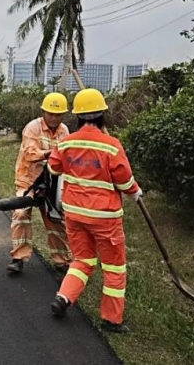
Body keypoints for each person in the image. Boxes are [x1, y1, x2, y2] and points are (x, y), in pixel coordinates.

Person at [47, 88, 141, 334]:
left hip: (74, 214)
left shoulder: (67, 142)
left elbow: (54, 168)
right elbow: (123, 180)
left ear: (77, 116)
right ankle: (111, 320)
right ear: (102, 116)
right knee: (113, 267)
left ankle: (64, 297)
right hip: (104, 218)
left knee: (82, 260)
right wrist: (135, 192)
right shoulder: (111, 146)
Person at [7, 92, 72, 274]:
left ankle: (61, 260)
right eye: (50, 113)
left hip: (52, 182)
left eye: (57, 114)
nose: (53, 118)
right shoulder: (32, 128)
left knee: (57, 219)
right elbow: (30, 154)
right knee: (21, 214)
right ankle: (18, 258)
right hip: (28, 181)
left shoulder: (64, 131)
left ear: (63, 115)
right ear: (43, 112)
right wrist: (52, 153)